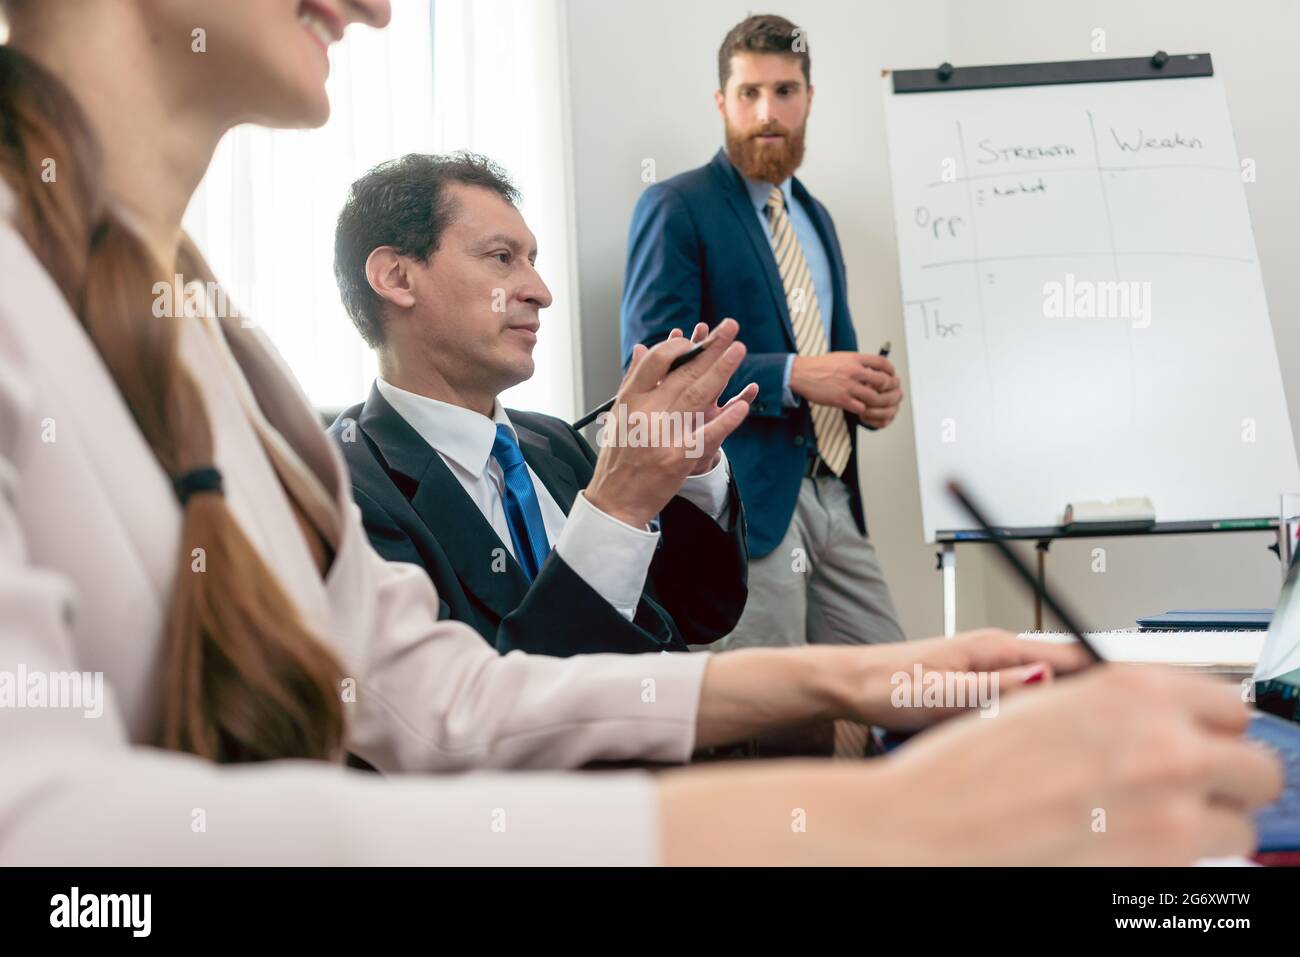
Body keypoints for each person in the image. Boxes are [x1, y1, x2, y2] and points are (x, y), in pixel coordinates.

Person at [0, 0, 1279, 867]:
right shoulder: (338, 440)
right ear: (397, 280)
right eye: (501, 257)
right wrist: (880, 822)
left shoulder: (219, 359)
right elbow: (51, 837)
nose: (378, 7)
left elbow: (436, 700)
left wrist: (851, 678)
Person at [329, 153, 750, 656]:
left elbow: (699, 615)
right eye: (502, 258)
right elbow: (470, 710)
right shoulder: (341, 493)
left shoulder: (553, 442)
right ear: (397, 277)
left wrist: (694, 472)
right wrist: (614, 507)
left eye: (533, 260)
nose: (542, 292)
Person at [621, 14, 906, 660]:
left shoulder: (818, 218)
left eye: (784, 91)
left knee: (899, 689)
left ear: (808, 100)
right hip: (745, 507)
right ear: (722, 103)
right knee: (769, 712)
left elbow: (834, 354)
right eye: (749, 93)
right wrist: (793, 375)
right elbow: (650, 366)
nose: (767, 111)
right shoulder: (677, 206)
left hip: (835, 494)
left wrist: (866, 393)